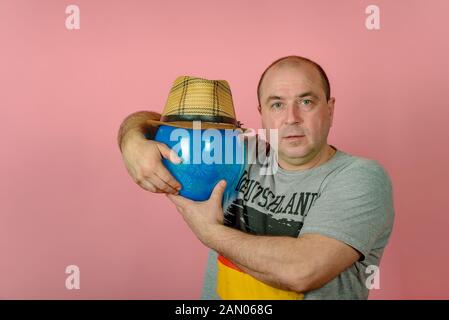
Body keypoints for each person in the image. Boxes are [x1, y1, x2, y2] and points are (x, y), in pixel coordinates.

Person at [117, 55, 395, 299]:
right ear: (261, 115)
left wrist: (210, 233)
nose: (291, 118)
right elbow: (168, 120)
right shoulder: (237, 152)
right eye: (277, 105)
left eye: (306, 101)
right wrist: (131, 138)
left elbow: (302, 271)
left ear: (330, 109)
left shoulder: (360, 176)